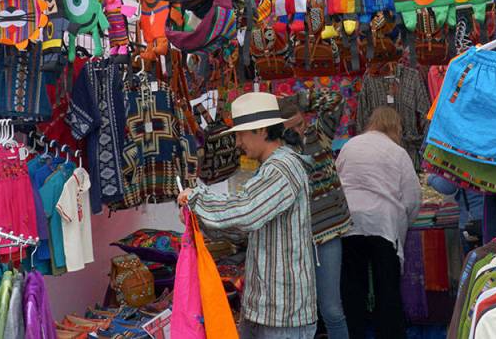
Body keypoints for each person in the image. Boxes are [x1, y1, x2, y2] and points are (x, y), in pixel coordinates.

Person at [178, 91, 317, 339]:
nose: (237, 142)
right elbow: (244, 228)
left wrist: (197, 200)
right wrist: (199, 218)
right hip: (265, 308)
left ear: (261, 130)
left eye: (241, 134)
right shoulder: (271, 168)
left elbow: (246, 211)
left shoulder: (283, 168)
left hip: (282, 314)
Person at [336, 106, 421, 339]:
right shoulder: (397, 152)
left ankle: (355, 334)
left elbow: (337, 183)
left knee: (352, 289)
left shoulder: (349, 146)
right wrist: (405, 221)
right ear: (396, 127)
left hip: (350, 223)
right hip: (384, 224)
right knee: (388, 290)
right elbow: (412, 196)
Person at [280, 89, 352, 339]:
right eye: (290, 129)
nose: (297, 131)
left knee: (331, 309)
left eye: (300, 124)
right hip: (296, 239)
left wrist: (298, 100)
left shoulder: (317, 136)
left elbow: (336, 100)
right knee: (301, 310)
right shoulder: (279, 154)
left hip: (327, 233)